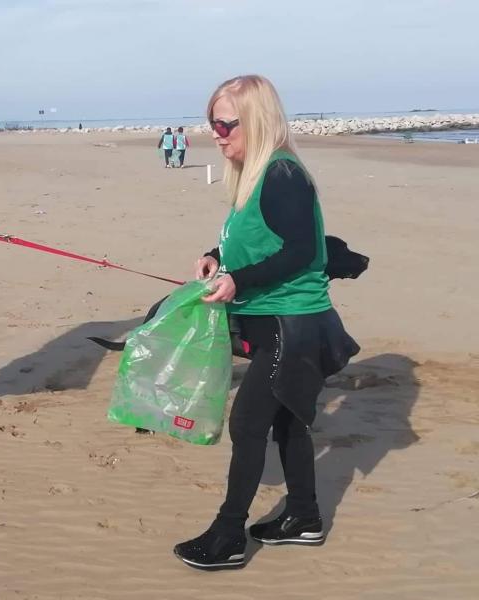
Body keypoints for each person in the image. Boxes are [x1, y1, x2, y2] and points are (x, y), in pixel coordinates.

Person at [173, 75, 358, 570]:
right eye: (211, 122)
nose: (215, 132)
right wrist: (217, 257)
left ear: (255, 120)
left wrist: (238, 282)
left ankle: (228, 534)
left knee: (248, 423)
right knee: (286, 421)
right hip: (278, 322)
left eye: (224, 123)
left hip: (291, 324)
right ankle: (304, 516)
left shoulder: (282, 175)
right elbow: (264, 240)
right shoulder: (255, 177)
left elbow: (301, 251)